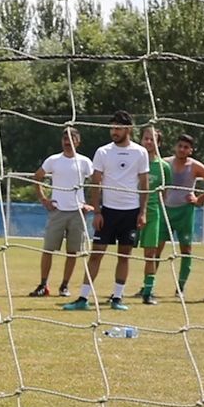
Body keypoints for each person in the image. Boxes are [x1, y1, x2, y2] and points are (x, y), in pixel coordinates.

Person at [64, 110, 149, 312]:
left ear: (128, 129)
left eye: (118, 127)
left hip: (130, 211)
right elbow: (96, 182)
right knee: (96, 254)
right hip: (108, 212)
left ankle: (117, 297)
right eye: (112, 127)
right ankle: (83, 298)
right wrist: (98, 211)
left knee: (125, 255)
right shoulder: (103, 152)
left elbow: (145, 183)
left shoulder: (140, 152)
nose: (114, 131)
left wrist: (142, 212)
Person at [28, 127, 93, 298]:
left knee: (72, 252)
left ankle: (64, 286)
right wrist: (44, 199)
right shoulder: (53, 160)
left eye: (71, 138)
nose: (67, 142)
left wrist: (91, 205)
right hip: (57, 211)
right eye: (65, 138)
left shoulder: (85, 162)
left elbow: (97, 182)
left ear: (78, 142)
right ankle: (43, 284)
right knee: (48, 250)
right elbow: (37, 177)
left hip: (77, 213)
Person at [159, 134, 204, 297]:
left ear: (191, 150)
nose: (182, 149)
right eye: (179, 146)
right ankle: (148, 286)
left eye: (186, 147)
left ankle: (180, 288)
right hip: (165, 210)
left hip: (185, 212)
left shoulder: (195, 166)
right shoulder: (165, 163)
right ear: (175, 146)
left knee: (186, 249)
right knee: (155, 248)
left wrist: (199, 199)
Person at [136, 126, 172, 305]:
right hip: (131, 211)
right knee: (124, 252)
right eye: (146, 138)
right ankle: (117, 291)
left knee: (150, 253)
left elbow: (165, 193)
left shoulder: (164, 167)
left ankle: (147, 291)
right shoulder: (134, 160)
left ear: (158, 143)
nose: (148, 142)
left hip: (152, 214)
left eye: (152, 139)